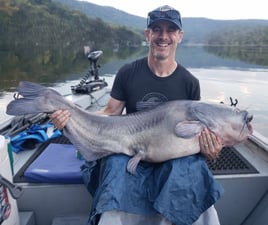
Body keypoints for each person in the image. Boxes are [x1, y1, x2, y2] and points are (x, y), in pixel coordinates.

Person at [51, 5, 224, 225]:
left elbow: (193, 135)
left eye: (170, 30)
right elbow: (110, 112)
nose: (163, 36)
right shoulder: (128, 72)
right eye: (157, 29)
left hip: (170, 155)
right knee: (113, 166)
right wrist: (69, 117)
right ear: (147, 34)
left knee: (192, 171)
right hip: (133, 149)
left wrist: (212, 151)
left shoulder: (189, 83)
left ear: (179, 36)